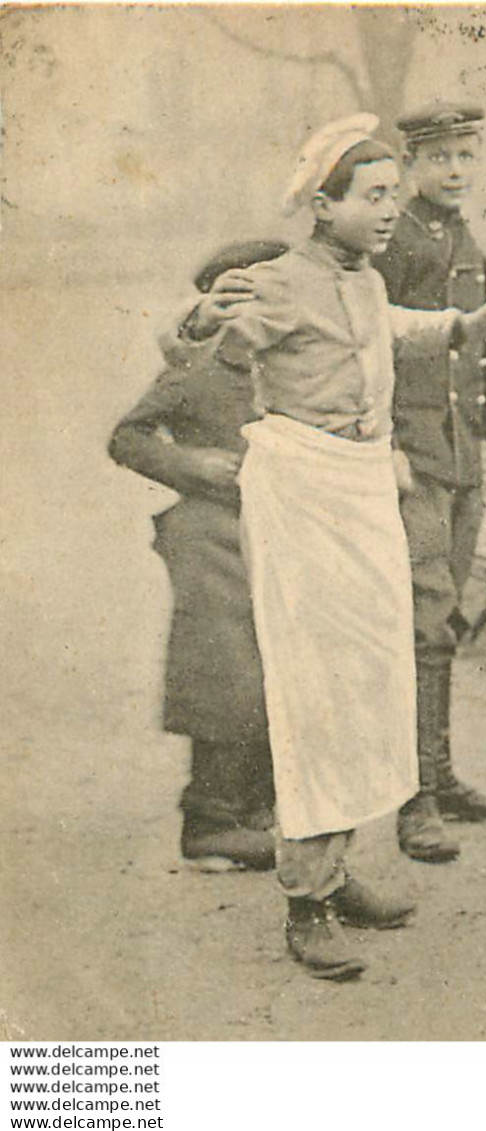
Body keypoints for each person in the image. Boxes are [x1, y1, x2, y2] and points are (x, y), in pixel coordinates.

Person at [172, 114, 486, 980]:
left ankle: (337, 868)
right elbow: (194, 346)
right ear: (322, 206)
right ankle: (306, 900)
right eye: (372, 198)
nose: (389, 211)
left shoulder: (361, 280)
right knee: (315, 689)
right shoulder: (280, 281)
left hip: (364, 485)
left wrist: (461, 327)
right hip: (303, 491)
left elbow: (391, 326)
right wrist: (195, 319)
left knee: (370, 677)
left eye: (393, 197)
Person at [370, 102, 486, 865]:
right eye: (441, 159)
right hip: (415, 460)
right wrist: (389, 446)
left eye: (467, 155)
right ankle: (415, 799)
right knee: (422, 623)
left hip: (461, 461)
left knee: (445, 618)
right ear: (410, 167)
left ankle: (440, 774)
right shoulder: (389, 240)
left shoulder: (469, 242)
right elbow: (374, 354)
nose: (457, 170)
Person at [108, 240, 288, 874]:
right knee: (226, 670)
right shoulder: (202, 366)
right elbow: (127, 437)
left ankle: (257, 810)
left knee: (279, 664)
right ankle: (210, 822)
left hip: (274, 532)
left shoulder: (296, 365)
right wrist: (191, 465)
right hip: (208, 531)